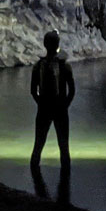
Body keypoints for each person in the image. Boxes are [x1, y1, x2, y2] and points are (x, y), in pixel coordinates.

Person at [28, 30, 75, 170]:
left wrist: (41, 103)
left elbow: (32, 90)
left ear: (45, 44)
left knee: (38, 144)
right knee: (64, 147)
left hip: (44, 109)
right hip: (60, 109)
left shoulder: (38, 66)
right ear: (57, 45)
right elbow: (72, 90)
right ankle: (65, 182)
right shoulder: (65, 65)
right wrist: (65, 105)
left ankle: (35, 176)